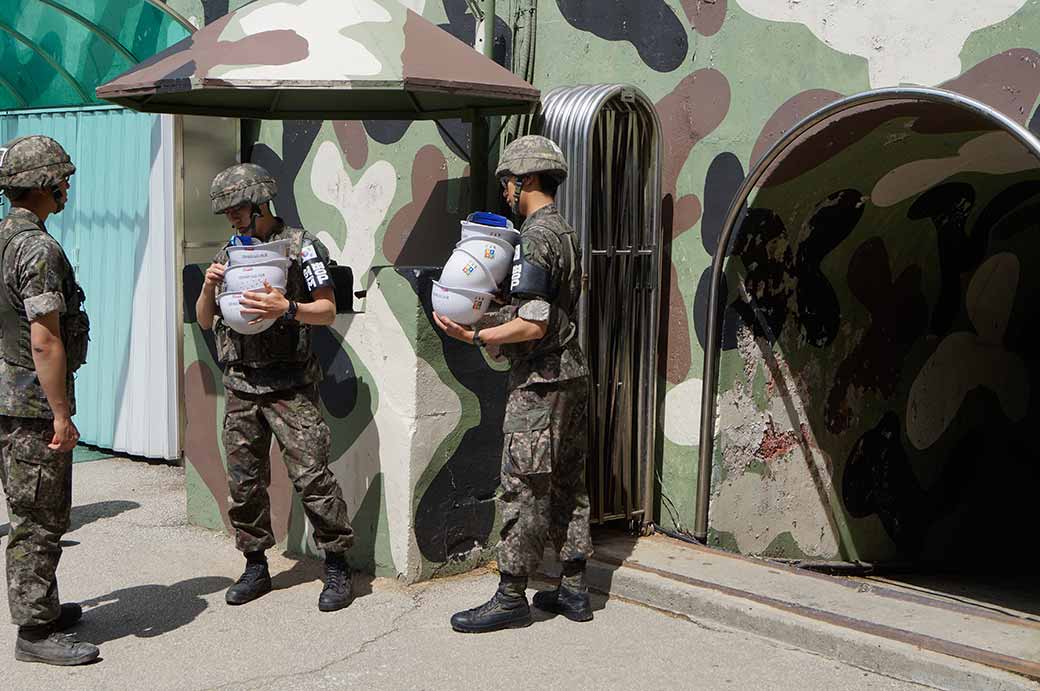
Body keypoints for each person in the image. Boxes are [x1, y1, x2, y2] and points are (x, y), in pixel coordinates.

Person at [433, 135, 593, 633]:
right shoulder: (564, 231)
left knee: (524, 486)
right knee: (567, 482)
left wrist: (476, 332)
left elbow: (534, 322)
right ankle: (574, 588)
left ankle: (510, 596)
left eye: (508, 180)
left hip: (541, 383)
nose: (505, 189)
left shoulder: (534, 237)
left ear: (523, 180)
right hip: (570, 375)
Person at [195, 163, 354, 612]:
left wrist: (287, 308)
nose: (231, 217)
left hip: (290, 386)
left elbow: (326, 310)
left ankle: (337, 565)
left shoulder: (302, 248)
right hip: (242, 384)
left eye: (237, 208)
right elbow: (206, 320)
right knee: (244, 483)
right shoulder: (232, 251)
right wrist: (209, 288)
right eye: (226, 211)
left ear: (261, 203)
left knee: (312, 477)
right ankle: (255, 564)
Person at [0, 135, 97, 664]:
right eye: (61, 179)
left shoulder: (3, 237)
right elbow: (44, 337)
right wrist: (60, 412)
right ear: (41, 186)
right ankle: (35, 631)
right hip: (28, 403)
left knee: (30, 510)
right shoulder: (37, 248)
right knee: (38, 517)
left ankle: (44, 606)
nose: (66, 187)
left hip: (6, 395)